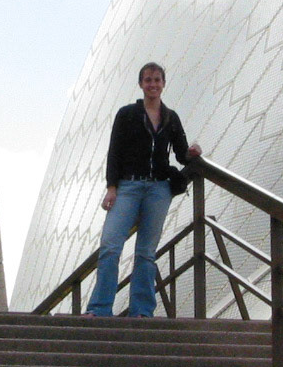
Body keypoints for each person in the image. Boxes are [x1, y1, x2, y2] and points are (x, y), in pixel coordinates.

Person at [86, 62, 201, 317]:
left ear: (163, 84)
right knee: (110, 245)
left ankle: (141, 311)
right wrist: (112, 187)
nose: (153, 84)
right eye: (148, 80)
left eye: (157, 80)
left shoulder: (170, 117)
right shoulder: (126, 114)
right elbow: (114, 151)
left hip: (158, 189)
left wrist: (192, 153)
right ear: (141, 84)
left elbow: (181, 154)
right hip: (128, 187)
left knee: (146, 252)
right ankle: (99, 308)